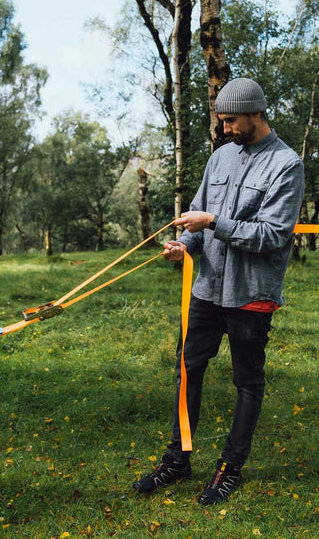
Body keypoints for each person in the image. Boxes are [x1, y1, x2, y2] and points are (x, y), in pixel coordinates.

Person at [133, 77, 305, 505]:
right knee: (187, 369)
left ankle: (230, 467)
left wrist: (211, 224)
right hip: (206, 288)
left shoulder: (287, 165)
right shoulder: (220, 158)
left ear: (254, 113)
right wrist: (185, 243)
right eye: (221, 121)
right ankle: (178, 458)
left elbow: (272, 235)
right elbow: (198, 216)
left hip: (251, 293)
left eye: (230, 120)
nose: (225, 128)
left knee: (247, 381)